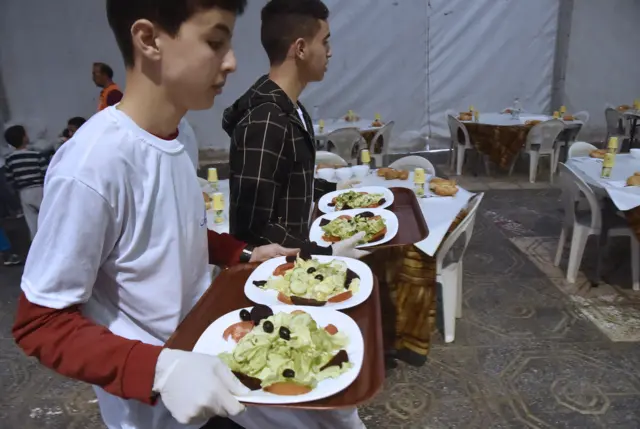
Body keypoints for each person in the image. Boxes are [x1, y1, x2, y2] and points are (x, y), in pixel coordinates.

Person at [11, 1, 361, 429]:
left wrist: (244, 251)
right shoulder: (92, 165)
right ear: (148, 39)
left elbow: (176, 229)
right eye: (215, 42)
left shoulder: (182, 134)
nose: (231, 62)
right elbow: (40, 322)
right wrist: (161, 370)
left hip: (209, 354)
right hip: (155, 402)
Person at [223, 0, 358, 257]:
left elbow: (287, 184)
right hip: (277, 277)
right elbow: (252, 228)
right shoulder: (266, 120)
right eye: (325, 41)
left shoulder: (292, 109)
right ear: (301, 48)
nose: (329, 52)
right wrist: (324, 253)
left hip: (296, 262)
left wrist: (334, 192)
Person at [3, 125, 47, 240]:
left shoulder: (9, 159)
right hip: (39, 189)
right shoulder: (36, 154)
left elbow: (10, 179)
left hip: (24, 192)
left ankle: (37, 245)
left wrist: (16, 189)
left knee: (32, 222)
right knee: (47, 216)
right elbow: (45, 173)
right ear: (24, 138)